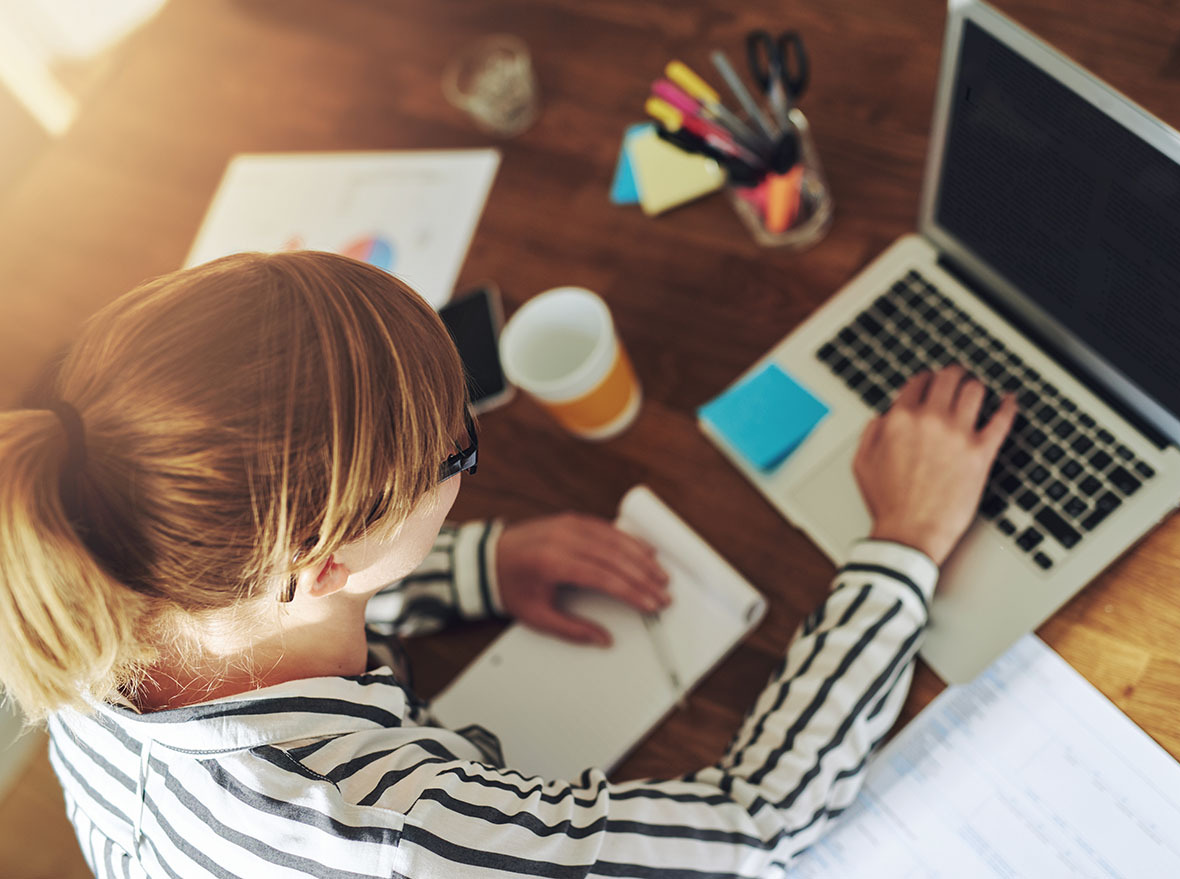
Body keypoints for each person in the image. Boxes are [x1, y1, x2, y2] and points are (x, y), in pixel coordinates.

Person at [0, 251, 1016, 879]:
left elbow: (268, 612)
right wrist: (905, 543)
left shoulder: (88, 581)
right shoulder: (395, 838)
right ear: (322, 568)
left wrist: (479, 569)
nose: (465, 467)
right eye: (459, 456)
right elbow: (755, 829)